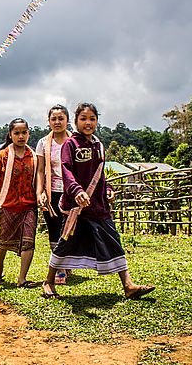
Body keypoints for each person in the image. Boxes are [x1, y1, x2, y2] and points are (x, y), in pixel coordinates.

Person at [42, 102, 154, 300]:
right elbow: (66, 171)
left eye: (92, 118)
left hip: (98, 206)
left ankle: (128, 285)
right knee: (65, 242)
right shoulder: (71, 145)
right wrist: (76, 191)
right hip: (76, 207)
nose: (88, 122)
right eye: (83, 118)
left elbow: (99, 176)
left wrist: (108, 190)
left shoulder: (98, 145)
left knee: (113, 240)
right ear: (75, 121)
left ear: (97, 121)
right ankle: (48, 282)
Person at [0, 118, 39, 288]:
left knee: (29, 241)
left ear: (28, 133)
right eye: (17, 133)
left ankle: (22, 279)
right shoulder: (3, 155)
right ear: (10, 135)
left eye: (24, 132)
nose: (21, 136)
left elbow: (40, 178)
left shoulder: (34, 156)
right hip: (8, 206)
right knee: (4, 241)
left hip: (29, 206)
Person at [36, 104, 70, 285]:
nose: (57, 122)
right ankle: (60, 270)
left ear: (67, 120)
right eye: (53, 119)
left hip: (72, 193)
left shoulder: (75, 141)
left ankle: (67, 263)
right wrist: (40, 192)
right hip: (52, 193)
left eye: (61, 118)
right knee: (54, 230)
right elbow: (40, 170)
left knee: (70, 230)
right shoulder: (43, 143)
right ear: (48, 121)